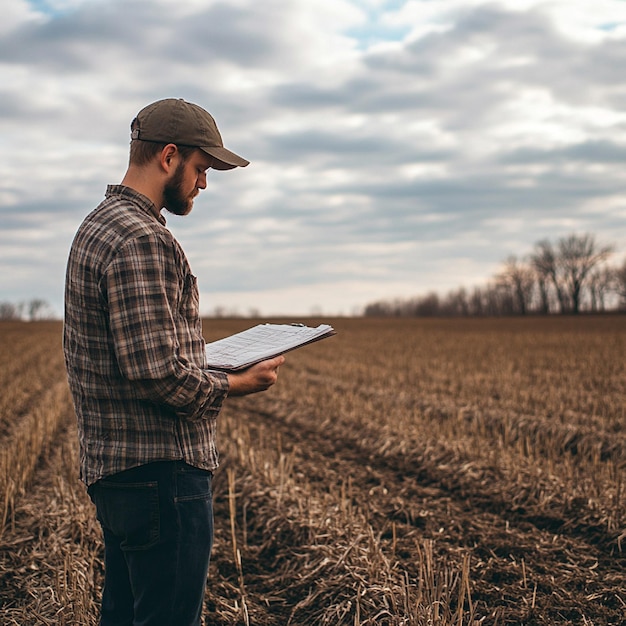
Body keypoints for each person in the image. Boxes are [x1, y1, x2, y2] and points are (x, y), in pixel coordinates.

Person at [63, 98, 284, 626]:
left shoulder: (98, 226)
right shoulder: (142, 238)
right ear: (168, 156)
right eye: (201, 169)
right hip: (161, 475)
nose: (203, 184)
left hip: (119, 475)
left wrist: (204, 362)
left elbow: (141, 353)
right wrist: (235, 383)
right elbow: (156, 372)